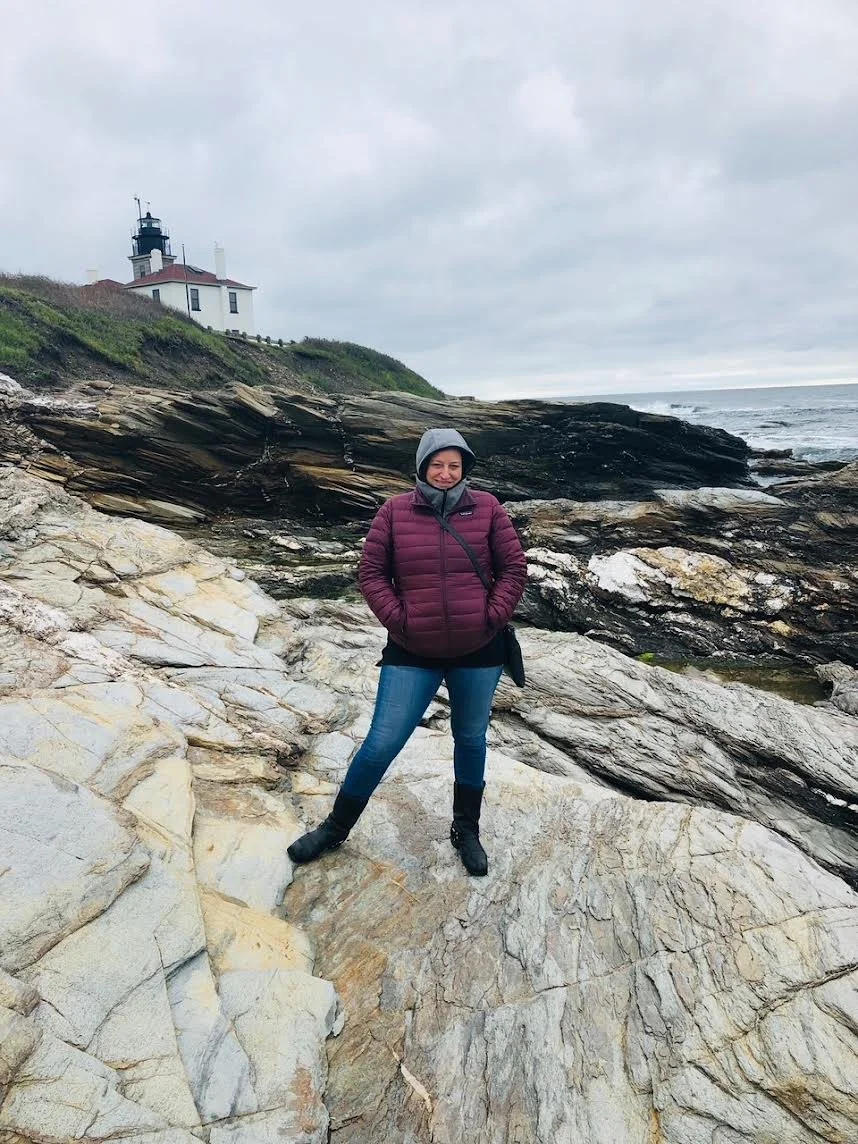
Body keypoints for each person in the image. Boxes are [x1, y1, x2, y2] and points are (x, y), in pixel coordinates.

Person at [287, 428, 528, 876]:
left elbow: (513, 567)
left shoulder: (488, 508)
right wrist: (399, 622)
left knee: (471, 739)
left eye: (454, 465)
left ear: (465, 469)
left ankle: (466, 829)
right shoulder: (394, 511)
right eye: (437, 464)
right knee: (382, 742)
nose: (445, 473)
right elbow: (371, 573)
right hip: (412, 650)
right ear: (421, 466)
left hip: (479, 650)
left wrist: (491, 616)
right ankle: (335, 829)